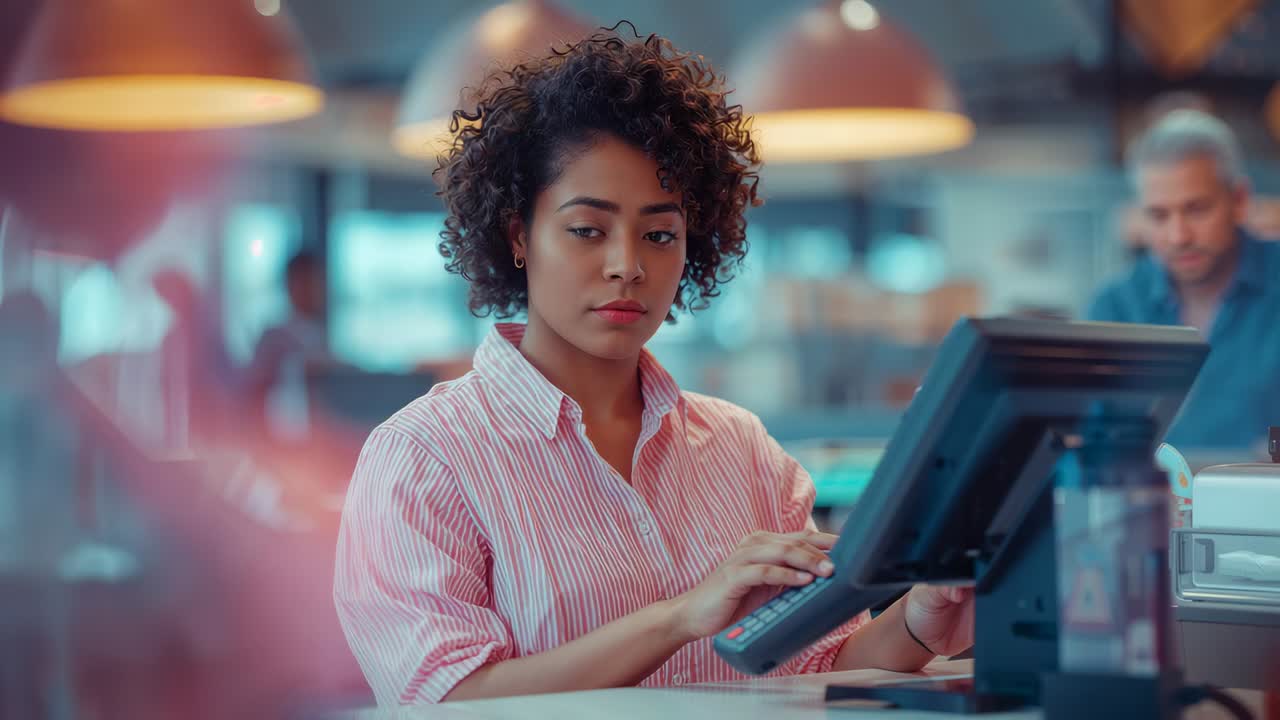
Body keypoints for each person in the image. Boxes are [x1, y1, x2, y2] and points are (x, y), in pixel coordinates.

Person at [334, 28, 973, 706]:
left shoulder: (742, 448)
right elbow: (444, 698)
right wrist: (679, 617)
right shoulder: (423, 459)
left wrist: (915, 624)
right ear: (519, 235)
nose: (627, 265)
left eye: (660, 234)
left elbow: (817, 661)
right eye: (587, 229)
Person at [1087, 110, 1280, 450]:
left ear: (1239, 200)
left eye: (1196, 209)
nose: (1178, 236)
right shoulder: (1115, 307)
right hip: (1151, 501)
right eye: (1158, 215)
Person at [247, 250, 330, 439]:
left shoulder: (318, 333)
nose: (313, 290)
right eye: (306, 283)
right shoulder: (274, 336)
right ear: (290, 285)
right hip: (283, 437)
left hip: (314, 436)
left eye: (316, 283)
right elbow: (255, 392)